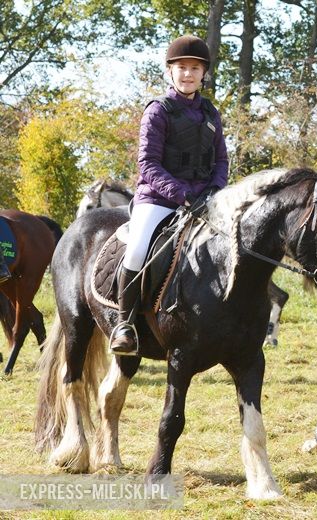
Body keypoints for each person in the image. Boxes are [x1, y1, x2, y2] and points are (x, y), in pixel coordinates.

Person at [110, 35, 229, 356]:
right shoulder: (157, 111)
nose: (188, 74)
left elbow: (221, 161)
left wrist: (215, 191)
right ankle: (125, 324)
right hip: (158, 200)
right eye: (181, 68)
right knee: (136, 250)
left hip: (205, 201)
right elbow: (147, 164)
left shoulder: (210, 113)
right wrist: (183, 194)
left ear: (204, 74)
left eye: (194, 68)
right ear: (170, 72)